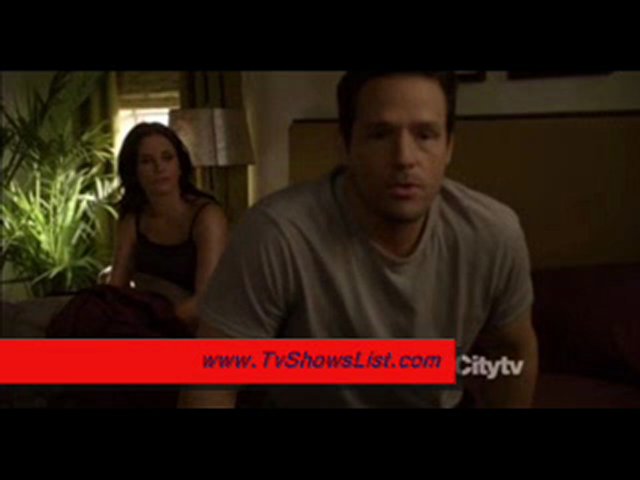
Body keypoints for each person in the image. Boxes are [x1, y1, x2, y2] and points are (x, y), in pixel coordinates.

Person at [181, 71, 538, 408]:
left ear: (449, 148)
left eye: (425, 135)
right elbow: (211, 379)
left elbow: (514, 349)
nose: (404, 158)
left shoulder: (492, 232)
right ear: (345, 145)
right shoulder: (276, 233)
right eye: (380, 134)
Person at [108, 122, 228, 330]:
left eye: (167, 158)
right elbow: (115, 289)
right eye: (147, 161)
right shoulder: (133, 219)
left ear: (180, 165)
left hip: (200, 326)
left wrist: (149, 326)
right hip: (147, 321)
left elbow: (204, 300)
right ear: (134, 172)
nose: (159, 168)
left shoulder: (207, 216)